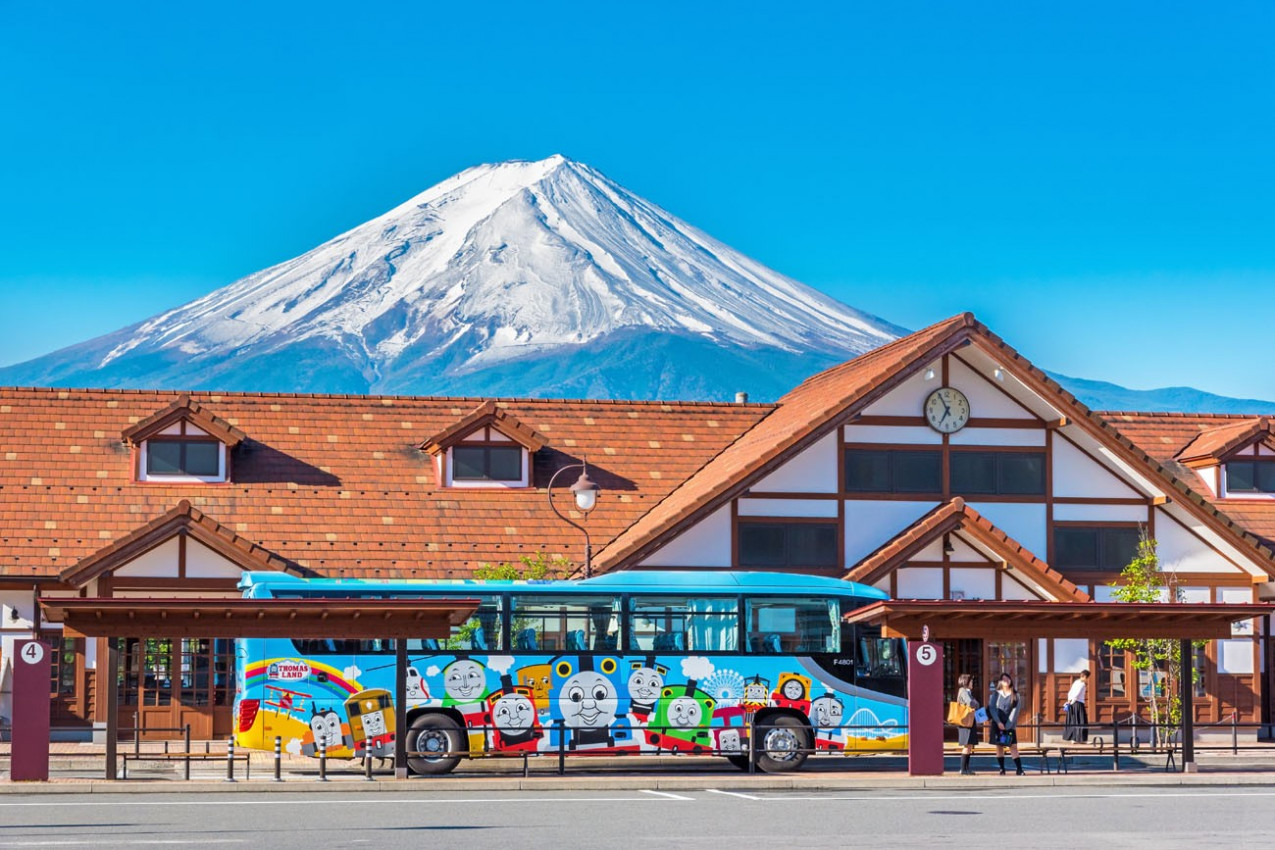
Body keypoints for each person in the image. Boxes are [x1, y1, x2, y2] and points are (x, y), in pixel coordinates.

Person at [988, 672, 1023, 775]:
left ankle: (1019, 769)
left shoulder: (1016, 695)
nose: (1006, 681)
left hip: (1009, 725)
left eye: (1008, 679)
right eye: (1003, 680)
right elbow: (992, 708)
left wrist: (1007, 726)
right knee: (999, 746)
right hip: (997, 724)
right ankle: (1002, 769)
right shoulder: (996, 694)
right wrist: (998, 722)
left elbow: (1015, 711)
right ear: (1000, 682)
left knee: (1013, 746)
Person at [956, 673, 980, 775]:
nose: (972, 683)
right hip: (966, 722)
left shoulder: (967, 691)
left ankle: (966, 768)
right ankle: (963, 769)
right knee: (967, 745)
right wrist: (977, 703)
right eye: (970, 681)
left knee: (969, 746)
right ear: (966, 682)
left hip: (969, 721)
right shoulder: (963, 691)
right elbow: (971, 703)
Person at [1063, 669, 1091, 743]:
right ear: (1085, 677)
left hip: (1072, 703)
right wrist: (1072, 701)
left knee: (1073, 721)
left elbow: (1070, 692)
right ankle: (1082, 739)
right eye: (1087, 678)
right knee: (1081, 721)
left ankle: (1073, 739)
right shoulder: (1082, 684)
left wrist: (1069, 702)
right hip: (1078, 703)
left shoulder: (1076, 682)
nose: (1087, 680)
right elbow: (1076, 694)